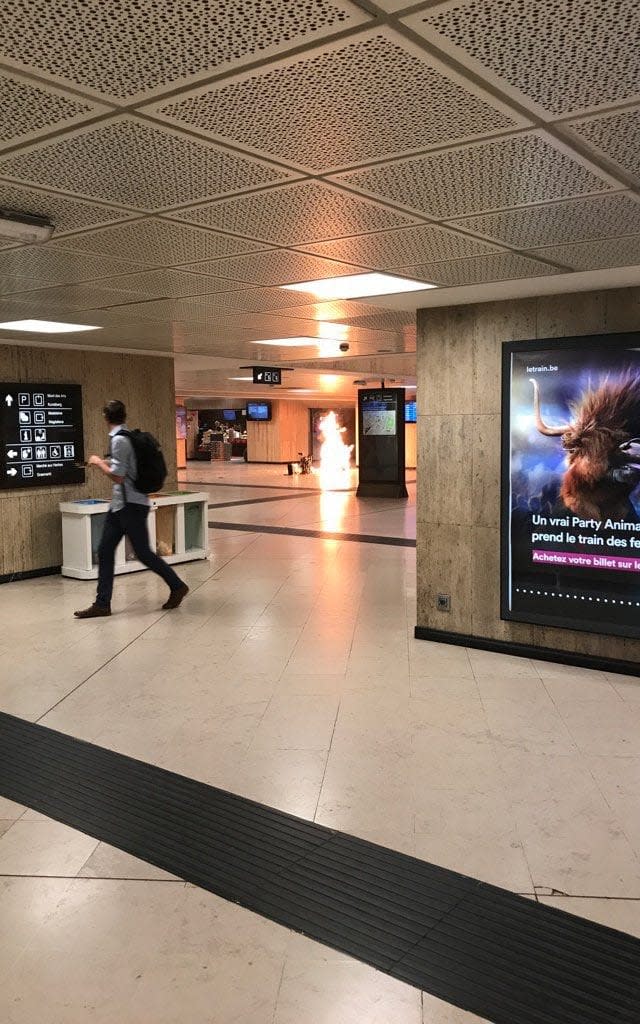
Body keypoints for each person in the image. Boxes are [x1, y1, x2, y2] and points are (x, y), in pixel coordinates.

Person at [74, 400, 189, 618]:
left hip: (130, 506)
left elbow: (118, 476)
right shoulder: (126, 437)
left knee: (143, 553)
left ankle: (177, 585)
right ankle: (102, 603)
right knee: (106, 550)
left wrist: (98, 462)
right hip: (120, 506)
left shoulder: (120, 440)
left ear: (105, 417)